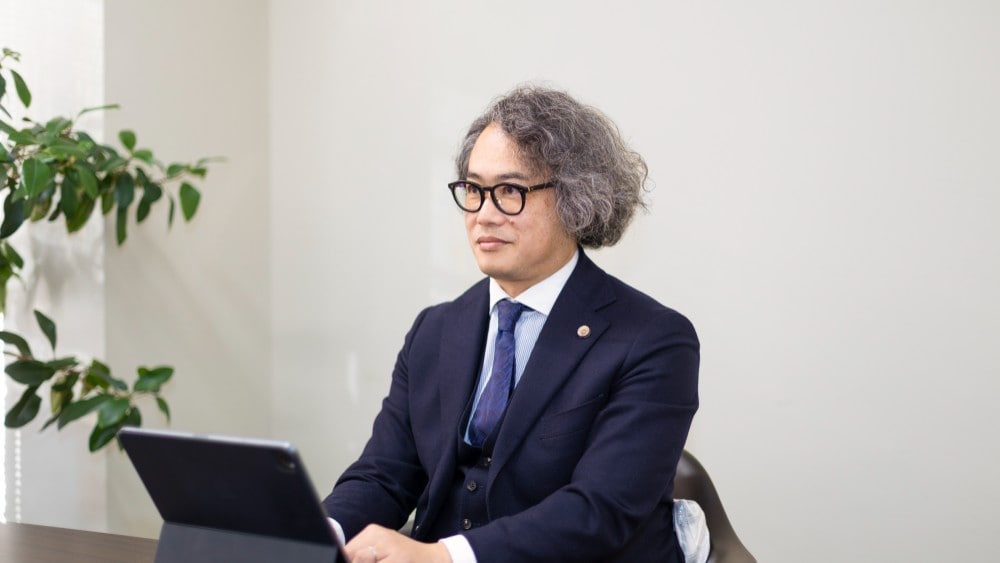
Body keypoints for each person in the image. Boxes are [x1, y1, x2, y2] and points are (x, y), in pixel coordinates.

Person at [323, 85, 700, 563]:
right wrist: (317, 533)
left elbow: (600, 511)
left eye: (509, 191)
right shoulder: (433, 330)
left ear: (575, 199)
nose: (483, 215)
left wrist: (445, 557)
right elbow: (384, 475)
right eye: (474, 190)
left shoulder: (653, 340)